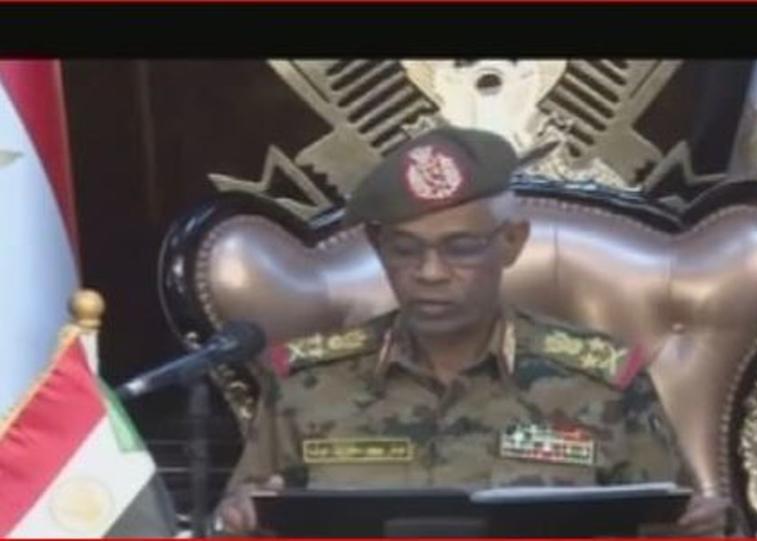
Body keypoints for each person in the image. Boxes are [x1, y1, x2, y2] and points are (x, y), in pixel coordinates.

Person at [214, 127, 730, 535]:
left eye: (461, 248)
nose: (430, 273)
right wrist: (237, 521)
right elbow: (247, 518)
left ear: (511, 242)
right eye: (405, 249)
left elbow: (665, 522)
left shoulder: (602, 382)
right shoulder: (307, 384)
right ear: (376, 246)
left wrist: (693, 527)